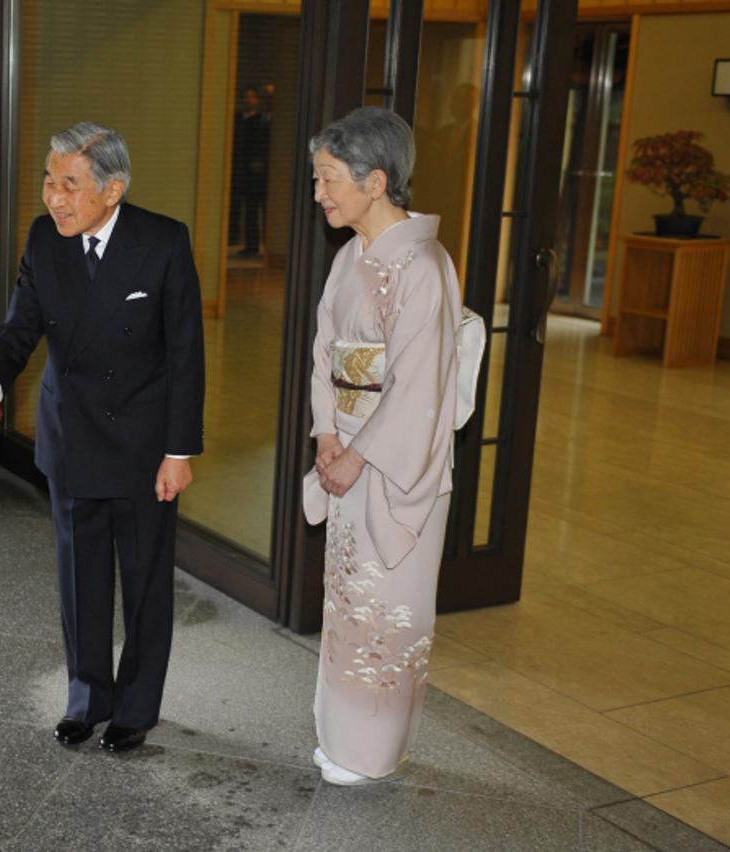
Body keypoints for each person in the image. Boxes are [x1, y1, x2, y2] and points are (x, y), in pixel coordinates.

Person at [0, 122, 205, 753]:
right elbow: (20, 327)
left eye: (69, 184)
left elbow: (186, 354)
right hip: (70, 436)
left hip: (142, 445)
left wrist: (179, 452)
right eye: (49, 181)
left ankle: (135, 708)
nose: (53, 196)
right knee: (81, 578)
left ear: (113, 189)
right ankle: (87, 697)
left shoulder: (162, 242)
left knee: (146, 581)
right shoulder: (46, 239)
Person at [302, 107, 462, 785]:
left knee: (386, 606)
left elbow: (420, 384)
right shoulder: (351, 255)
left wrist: (358, 452)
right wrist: (329, 433)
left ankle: (370, 754)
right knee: (348, 601)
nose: (320, 193)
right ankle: (346, 738)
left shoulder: (423, 266)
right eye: (318, 178)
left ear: (376, 180)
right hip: (350, 452)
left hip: (394, 466)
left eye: (329, 179)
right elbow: (325, 355)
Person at [229, 85, 272, 257]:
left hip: (255, 173)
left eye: (252, 97)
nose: (249, 100)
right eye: (245, 97)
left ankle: (252, 245)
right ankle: (234, 239)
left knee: (253, 208)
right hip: (237, 169)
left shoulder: (262, 121)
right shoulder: (236, 119)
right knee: (234, 206)